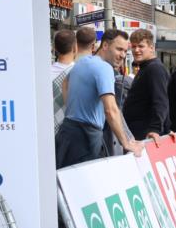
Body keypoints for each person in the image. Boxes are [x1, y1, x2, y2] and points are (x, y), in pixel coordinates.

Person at [55, 29, 143, 168]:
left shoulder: (82, 62)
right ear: (105, 46)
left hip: (68, 131)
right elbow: (111, 110)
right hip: (86, 137)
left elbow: (65, 83)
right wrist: (126, 143)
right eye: (119, 49)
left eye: (125, 51)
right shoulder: (104, 68)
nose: (122, 55)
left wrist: (71, 109)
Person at [122, 29, 170, 140]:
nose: (136, 50)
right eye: (133, 47)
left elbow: (160, 101)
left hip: (146, 135)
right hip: (139, 132)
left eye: (141, 46)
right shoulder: (147, 67)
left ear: (151, 47)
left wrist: (155, 129)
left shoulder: (154, 68)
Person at [50, 28, 76, 133]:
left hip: (50, 131)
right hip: (73, 131)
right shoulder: (79, 72)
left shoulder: (43, 74)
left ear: (54, 48)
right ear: (75, 48)